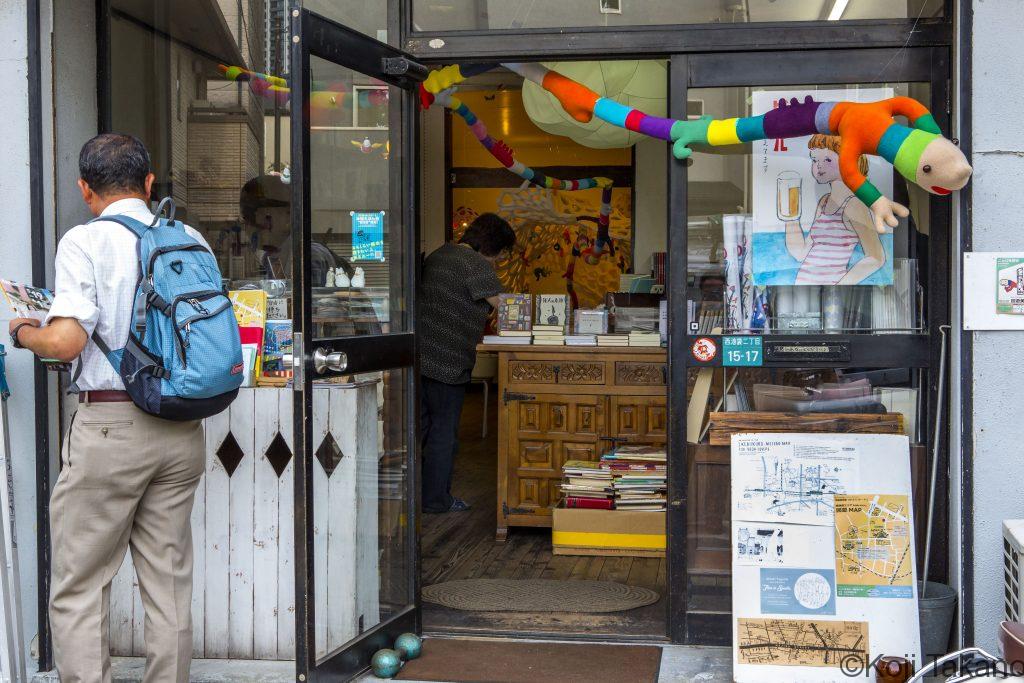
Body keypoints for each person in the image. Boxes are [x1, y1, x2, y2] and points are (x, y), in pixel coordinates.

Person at [8, 134, 212, 682]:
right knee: (168, 581)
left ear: (84, 189)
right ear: (150, 184)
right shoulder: (188, 236)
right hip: (182, 426)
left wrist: (26, 331)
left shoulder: (85, 241)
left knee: (79, 583)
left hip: (111, 429)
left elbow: (68, 342)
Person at [418, 213, 516, 513]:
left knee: (420, 429)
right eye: (500, 255)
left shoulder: (439, 254)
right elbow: (510, 310)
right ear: (492, 247)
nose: (498, 262)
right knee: (444, 433)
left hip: (418, 356)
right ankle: (436, 501)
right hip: (448, 361)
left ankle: (415, 498)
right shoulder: (475, 264)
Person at [786, 134, 886, 286]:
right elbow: (801, 253)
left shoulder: (854, 205)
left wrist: (840, 285)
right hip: (805, 286)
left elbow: (876, 257)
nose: (819, 165)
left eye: (827, 160)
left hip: (831, 291)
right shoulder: (824, 202)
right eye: (814, 160)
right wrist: (790, 218)